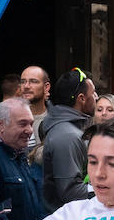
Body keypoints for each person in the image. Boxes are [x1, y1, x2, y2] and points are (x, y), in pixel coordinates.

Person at [40, 68, 97, 209]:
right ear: (81, 99)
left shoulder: (72, 129)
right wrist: (110, 190)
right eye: (93, 92)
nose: (96, 97)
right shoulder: (67, 136)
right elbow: (70, 192)